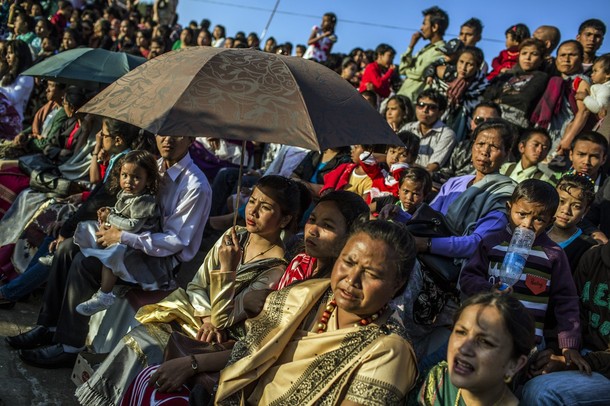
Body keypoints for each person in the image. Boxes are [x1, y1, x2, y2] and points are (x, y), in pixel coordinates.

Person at [74, 175, 304, 405]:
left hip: (221, 339)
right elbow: (197, 284)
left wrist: (227, 271)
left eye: (265, 207)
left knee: (149, 350)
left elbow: (226, 320)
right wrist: (205, 317)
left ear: (285, 220)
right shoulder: (234, 235)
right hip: (197, 318)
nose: (252, 211)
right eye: (252, 201)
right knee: (136, 339)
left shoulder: (275, 268)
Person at [8, 135, 212, 368]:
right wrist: (110, 220)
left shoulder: (195, 185)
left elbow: (175, 241)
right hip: (128, 245)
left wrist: (122, 235)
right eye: (163, 132)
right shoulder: (152, 166)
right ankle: (49, 326)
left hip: (157, 262)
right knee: (66, 248)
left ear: (191, 138)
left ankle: (70, 346)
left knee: (84, 264)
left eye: (177, 134)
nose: (168, 139)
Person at [210, 220, 418, 405]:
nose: (352, 280)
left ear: (397, 285)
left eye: (371, 273)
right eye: (348, 262)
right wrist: (192, 365)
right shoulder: (305, 296)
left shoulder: (389, 350)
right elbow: (249, 355)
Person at [389, 118, 516, 360]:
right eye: (480, 144)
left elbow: (475, 243)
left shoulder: (504, 194)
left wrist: (425, 245)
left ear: (507, 153)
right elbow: (425, 221)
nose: (485, 152)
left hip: (451, 276)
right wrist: (397, 214)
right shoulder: (455, 183)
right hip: (426, 259)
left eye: (494, 147)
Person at [0, 118, 138, 307]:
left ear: (118, 140)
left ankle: (9, 293)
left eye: (104, 135)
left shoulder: (126, 164)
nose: (100, 137)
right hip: (96, 220)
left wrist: (67, 229)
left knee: (61, 247)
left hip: (109, 229)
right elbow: (96, 195)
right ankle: (16, 290)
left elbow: (98, 201)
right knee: (53, 235)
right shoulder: (117, 159)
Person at [459, 179, 589, 371]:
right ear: (508, 209)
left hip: (526, 344)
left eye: (539, 219)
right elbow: (468, 278)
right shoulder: (491, 243)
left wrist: (569, 345)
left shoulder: (552, 254)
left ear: (550, 221)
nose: (527, 224)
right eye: (521, 214)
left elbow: (566, 300)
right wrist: (488, 289)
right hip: (484, 332)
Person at [71, 150, 162, 316]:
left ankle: (105, 295)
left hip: (136, 244)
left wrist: (110, 217)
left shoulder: (145, 200)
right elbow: (122, 212)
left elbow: (133, 225)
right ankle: (60, 253)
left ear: (147, 180)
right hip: (121, 234)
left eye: (136, 177)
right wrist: (109, 212)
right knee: (88, 227)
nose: (128, 181)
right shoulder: (126, 194)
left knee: (114, 254)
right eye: (125, 175)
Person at [521, 242, 610, 406]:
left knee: (541, 392)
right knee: (520, 352)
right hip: (580, 351)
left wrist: (569, 363)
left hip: (604, 367)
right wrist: (556, 349)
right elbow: (573, 314)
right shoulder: (594, 257)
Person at [419, 293, 534, 406]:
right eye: (461, 332)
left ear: (514, 364)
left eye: (484, 341)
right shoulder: (439, 381)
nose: (464, 348)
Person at [532, 40, 592, 157]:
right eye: (562, 55)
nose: (566, 59)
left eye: (572, 55)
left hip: (563, 137)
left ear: (581, 58)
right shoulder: (554, 81)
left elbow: (584, 111)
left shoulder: (580, 81)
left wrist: (568, 139)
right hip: (546, 135)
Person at [483, 38, 549, 128]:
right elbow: (488, 94)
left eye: (534, 54)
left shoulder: (541, 77)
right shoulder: (506, 76)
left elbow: (524, 98)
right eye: (524, 53)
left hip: (514, 124)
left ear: (541, 59)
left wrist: (498, 100)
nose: (527, 58)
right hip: (490, 119)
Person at [434, 101, 502, 184]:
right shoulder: (462, 146)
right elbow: (446, 173)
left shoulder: (502, 153)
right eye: (479, 120)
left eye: (490, 121)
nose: (484, 125)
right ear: (472, 123)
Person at [547, 171, 597, 274]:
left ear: (585, 211)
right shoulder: (538, 230)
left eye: (576, 206)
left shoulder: (587, 247)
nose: (566, 210)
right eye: (561, 201)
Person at [398, 6, 448, 102]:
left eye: (424, 24)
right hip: (403, 96)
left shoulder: (441, 51)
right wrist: (411, 47)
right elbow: (402, 69)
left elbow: (420, 73)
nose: (421, 28)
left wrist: (410, 71)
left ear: (435, 27)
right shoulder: (425, 49)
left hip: (412, 101)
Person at [404, 89, 456, 172]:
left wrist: (403, 165)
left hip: (427, 180)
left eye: (432, 107)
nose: (425, 110)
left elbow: (432, 168)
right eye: (421, 105)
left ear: (441, 112)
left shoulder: (447, 134)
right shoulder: (407, 128)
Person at [0, 39, 33, 140]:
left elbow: (13, 98)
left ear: (19, 55)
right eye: (6, 53)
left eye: (10, 53)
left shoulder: (26, 77)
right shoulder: (7, 74)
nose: (7, 57)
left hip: (13, 121)